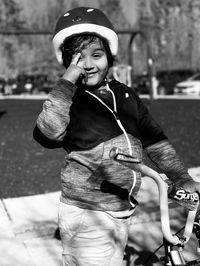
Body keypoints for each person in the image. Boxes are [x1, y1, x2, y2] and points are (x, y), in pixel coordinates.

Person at [33, 7, 200, 266]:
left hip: (122, 210)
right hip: (88, 212)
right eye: (78, 59)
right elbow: (48, 132)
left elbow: (155, 140)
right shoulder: (69, 98)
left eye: (97, 55)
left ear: (109, 57)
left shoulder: (125, 95)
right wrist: (67, 81)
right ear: (67, 63)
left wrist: (182, 178)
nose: (88, 65)